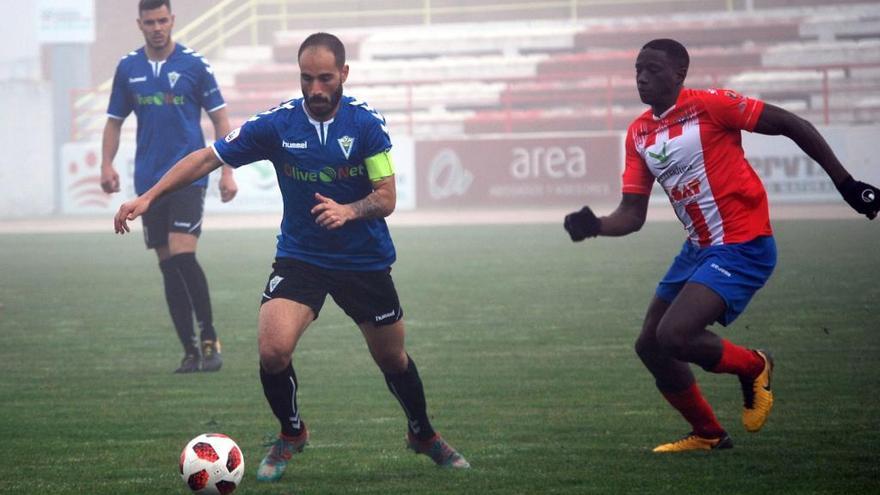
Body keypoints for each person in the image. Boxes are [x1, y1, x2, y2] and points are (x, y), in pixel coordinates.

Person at [113, 32, 469, 480]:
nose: (315, 89)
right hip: (302, 257)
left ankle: (423, 434)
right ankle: (292, 433)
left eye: (325, 78)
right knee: (273, 351)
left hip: (364, 260)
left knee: (393, 359)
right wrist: (149, 196)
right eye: (306, 78)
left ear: (343, 74)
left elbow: (386, 197)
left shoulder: (365, 126)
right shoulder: (278, 125)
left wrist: (349, 211)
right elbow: (207, 158)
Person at [564, 38, 879, 452]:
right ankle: (709, 434)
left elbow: (793, 125)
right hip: (697, 249)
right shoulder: (638, 132)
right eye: (638, 69)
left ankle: (755, 365)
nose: (642, 77)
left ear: (680, 74)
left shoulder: (712, 106)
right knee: (650, 345)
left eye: (653, 69)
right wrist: (596, 226)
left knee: (675, 334)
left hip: (743, 245)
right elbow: (633, 214)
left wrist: (847, 185)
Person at [102, 0, 238, 373]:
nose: (157, 27)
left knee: (182, 255)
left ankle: (210, 338)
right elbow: (114, 121)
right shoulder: (128, 68)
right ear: (140, 24)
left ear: (172, 20)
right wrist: (106, 163)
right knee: (167, 266)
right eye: (150, 22)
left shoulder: (195, 65)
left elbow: (220, 117)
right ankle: (190, 351)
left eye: (163, 20)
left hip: (189, 177)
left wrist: (226, 170)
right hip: (148, 183)